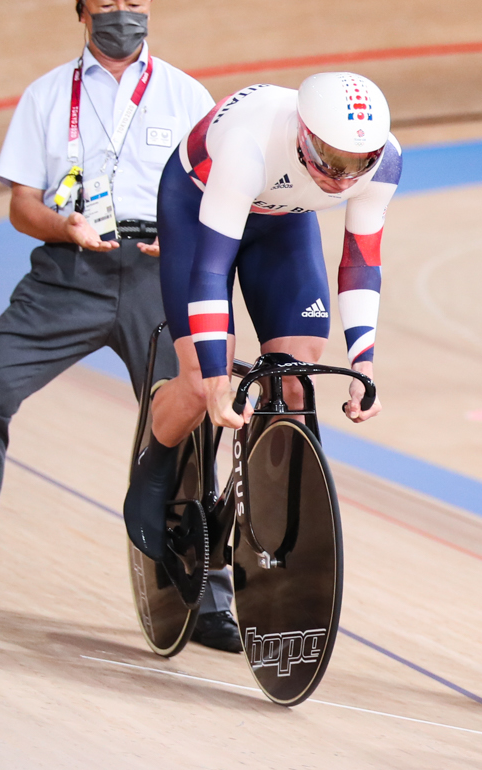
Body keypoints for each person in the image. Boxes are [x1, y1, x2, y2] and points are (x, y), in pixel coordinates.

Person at [0, 0, 226, 632]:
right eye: (108, 5)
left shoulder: (186, 96)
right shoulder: (45, 95)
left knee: (198, 409)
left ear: (151, 4)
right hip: (70, 273)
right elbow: (21, 206)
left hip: (159, 273)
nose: (122, 17)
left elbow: (217, 198)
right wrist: (64, 226)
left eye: (134, 4)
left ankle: (207, 597)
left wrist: (184, 238)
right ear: (81, 9)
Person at [124, 70, 395, 584]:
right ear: (303, 134)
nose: (342, 178)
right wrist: (213, 377)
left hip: (282, 219)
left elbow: (361, 264)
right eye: (333, 161)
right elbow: (208, 269)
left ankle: (271, 510)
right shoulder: (249, 144)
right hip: (199, 208)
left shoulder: (386, 162)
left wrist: (365, 361)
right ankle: (154, 468)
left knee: (297, 375)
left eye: (358, 164)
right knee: (203, 376)